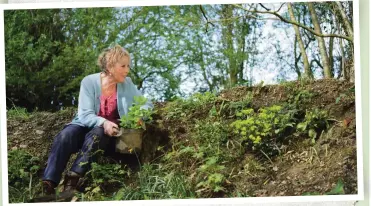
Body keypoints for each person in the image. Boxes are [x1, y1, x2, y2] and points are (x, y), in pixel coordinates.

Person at [42, 45, 153, 195]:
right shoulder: (89, 82)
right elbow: (85, 114)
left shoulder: (128, 84)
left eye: (128, 66)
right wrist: (104, 122)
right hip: (84, 125)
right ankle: (48, 183)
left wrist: (139, 114)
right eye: (123, 66)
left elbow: (147, 103)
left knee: (98, 134)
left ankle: (72, 182)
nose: (127, 70)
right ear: (110, 66)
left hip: (107, 134)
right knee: (65, 135)